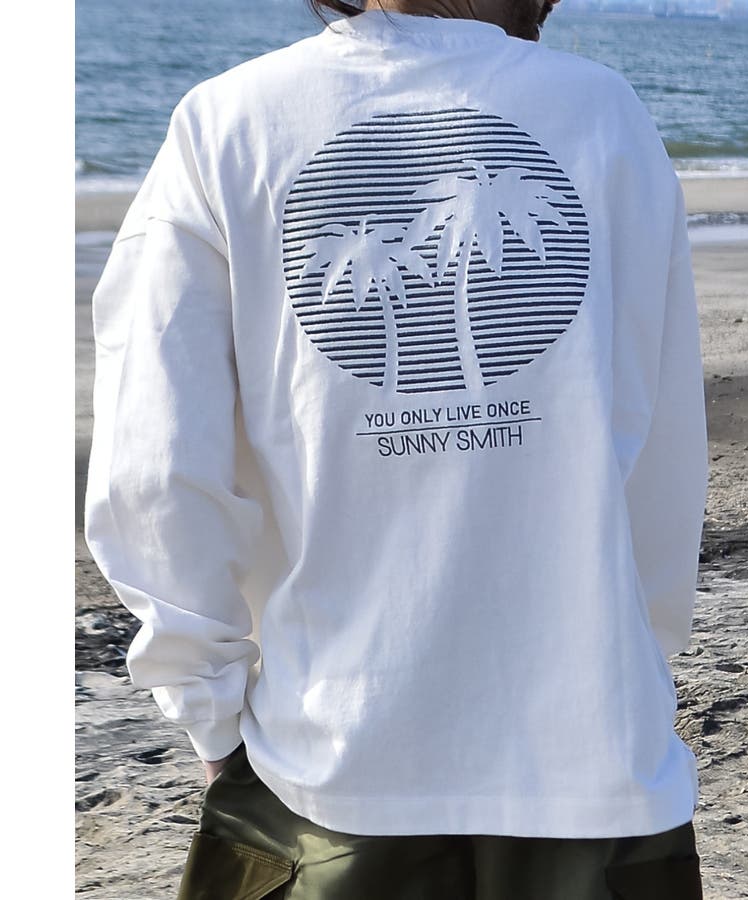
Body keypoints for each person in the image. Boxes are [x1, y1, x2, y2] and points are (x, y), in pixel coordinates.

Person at [85, 0, 709, 896]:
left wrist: (206, 710)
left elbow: (156, 468)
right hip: (600, 762)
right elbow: (661, 462)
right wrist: (631, 663)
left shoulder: (230, 124)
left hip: (325, 770)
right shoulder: (606, 114)